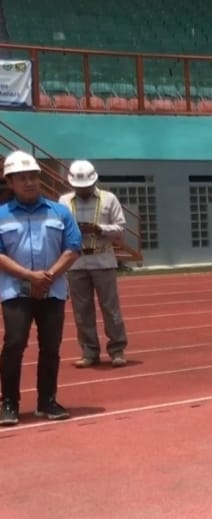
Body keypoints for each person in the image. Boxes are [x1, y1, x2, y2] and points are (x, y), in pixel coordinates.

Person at [0, 151, 82, 425]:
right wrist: (29, 276)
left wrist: (46, 277)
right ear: (10, 182)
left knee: (51, 347)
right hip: (15, 292)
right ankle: (9, 403)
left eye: (34, 176)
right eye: (22, 178)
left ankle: (47, 401)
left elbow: (73, 249)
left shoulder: (59, 212)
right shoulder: (1, 215)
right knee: (14, 345)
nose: (29, 183)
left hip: (53, 291)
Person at [60, 160, 130, 369]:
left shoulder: (109, 199)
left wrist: (99, 229)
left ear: (94, 181)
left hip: (103, 260)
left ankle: (117, 349)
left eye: (86, 186)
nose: (82, 190)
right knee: (82, 311)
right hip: (76, 262)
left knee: (110, 308)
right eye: (78, 187)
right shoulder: (64, 201)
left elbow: (120, 229)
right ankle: (89, 351)